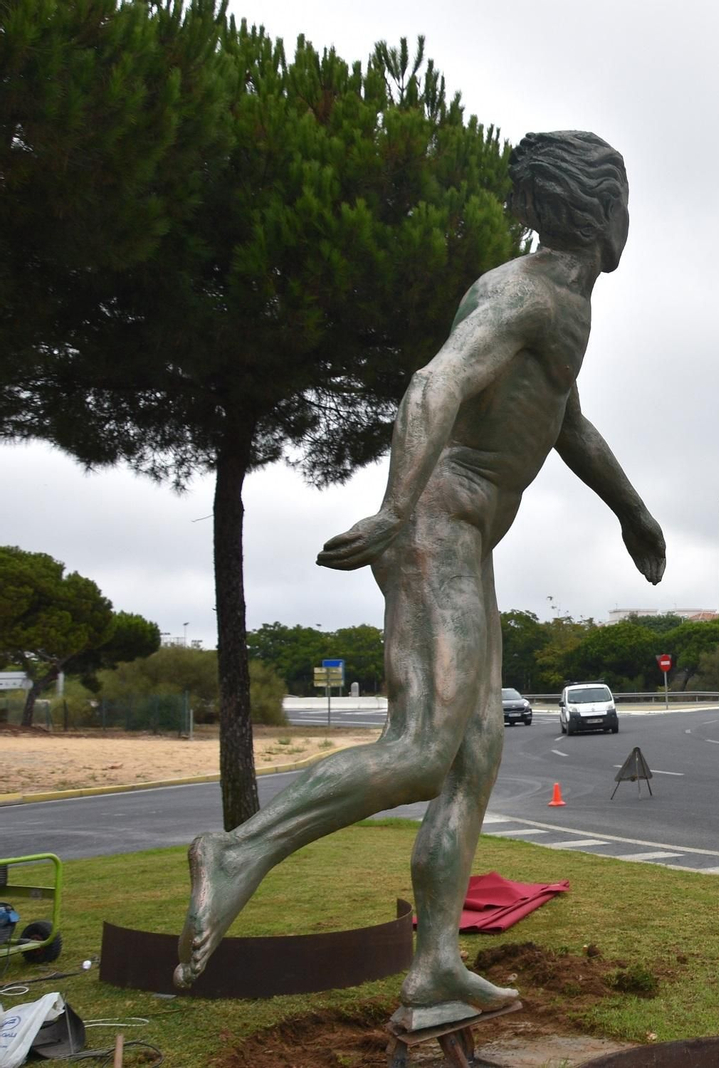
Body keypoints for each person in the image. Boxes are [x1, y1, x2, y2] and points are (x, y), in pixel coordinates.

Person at [174, 131, 665, 1030]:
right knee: (424, 748)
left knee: (474, 762)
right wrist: (400, 508)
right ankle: (236, 850)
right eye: (627, 201)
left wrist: (632, 511)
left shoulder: (563, 304)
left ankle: (435, 966)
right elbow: (432, 383)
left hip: (467, 543)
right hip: (438, 529)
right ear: (603, 214)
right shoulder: (523, 292)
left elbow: (568, 424)